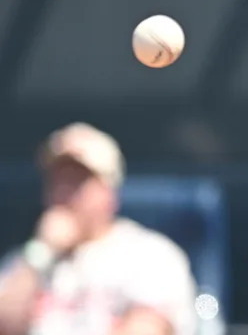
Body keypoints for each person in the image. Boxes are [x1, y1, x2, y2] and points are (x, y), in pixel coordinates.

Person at [0, 123, 198, 335]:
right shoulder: (27, 259)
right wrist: (41, 252)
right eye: (57, 181)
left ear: (108, 193)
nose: (63, 192)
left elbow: (147, 328)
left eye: (77, 182)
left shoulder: (151, 256)